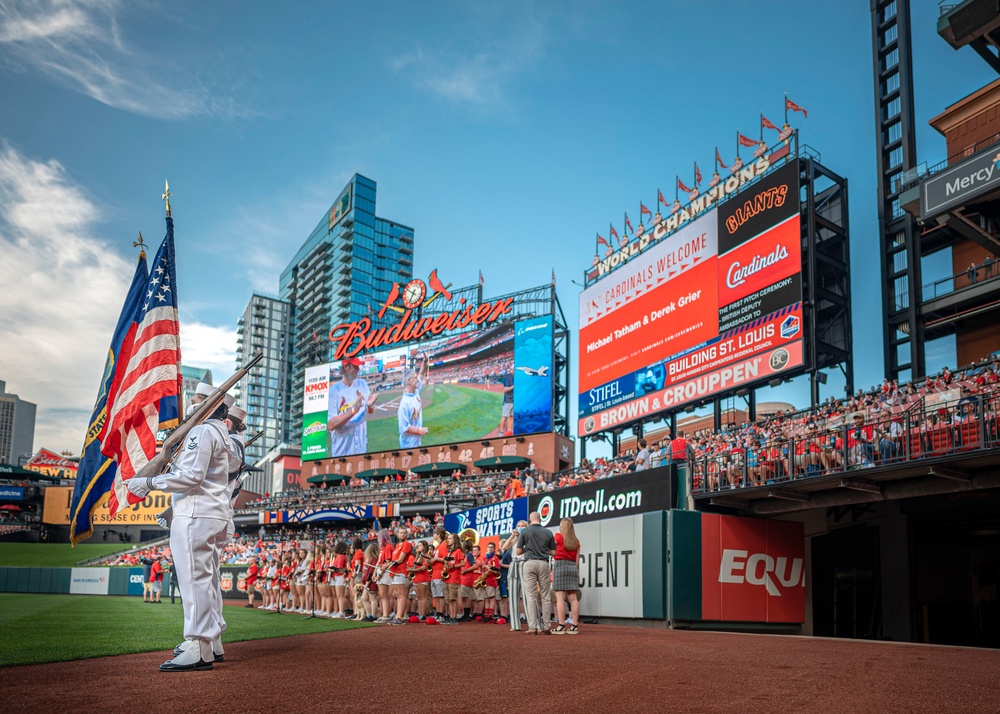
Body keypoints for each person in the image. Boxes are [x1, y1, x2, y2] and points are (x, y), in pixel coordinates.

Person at [127, 391, 239, 671]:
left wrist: (150, 482)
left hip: (195, 513)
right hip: (210, 512)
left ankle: (199, 645)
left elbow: (191, 477)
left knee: (194, 582)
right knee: (204, 579)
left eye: (193, 410)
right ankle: (208, 642)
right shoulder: (223, 434)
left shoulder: (201, 431)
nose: (188, 415)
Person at [515, 511, 556, 634]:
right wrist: (543, 550)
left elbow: (517, 551)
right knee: (545, 596)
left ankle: (533, 627)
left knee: (531, 596)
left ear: (530, 519)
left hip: (529, 563)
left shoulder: (525, 532)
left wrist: (528, 549)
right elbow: (554, 553)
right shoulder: (548, 532)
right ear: (540, 519)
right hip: (543, 563)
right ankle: (547, 626)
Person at [328, 357, 377, 457]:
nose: (358, 369)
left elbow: (370, 411)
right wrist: (353, 410)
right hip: (342, 454)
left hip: (361, 451)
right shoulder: (333, 391)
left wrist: (370, 406)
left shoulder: (362, 384)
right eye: (355, 366)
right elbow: (331, 424)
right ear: (346, 367)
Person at [552, 518, 581, 634]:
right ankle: (574, 625)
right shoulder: (576, 541)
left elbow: (552, 551)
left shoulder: (558, 537)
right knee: (573, 598)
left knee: (560, 598)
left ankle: (561, 625)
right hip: (572, 568)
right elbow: (577, 561)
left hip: (560, 566)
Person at [398, 356, 429, 449]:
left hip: (416, 442)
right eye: (415, 378)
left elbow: (421, 374)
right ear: (409, 381)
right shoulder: (404, 404)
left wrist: (424, 362)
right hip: (408, 446)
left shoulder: (415, 393)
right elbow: (404, 428)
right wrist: (420, 431)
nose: (418, 380)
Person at [388, 526, 413, 624]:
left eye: (404, 533)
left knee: (401, 595)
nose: (403, 534)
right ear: (397, 534)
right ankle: (398, 615)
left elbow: (400, 560)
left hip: (400, 571)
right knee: (398, 595)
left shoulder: (406, 544)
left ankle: (400, 616)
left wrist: (386, 565)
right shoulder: (397, 545)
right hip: (395, 571)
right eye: (401, 532)